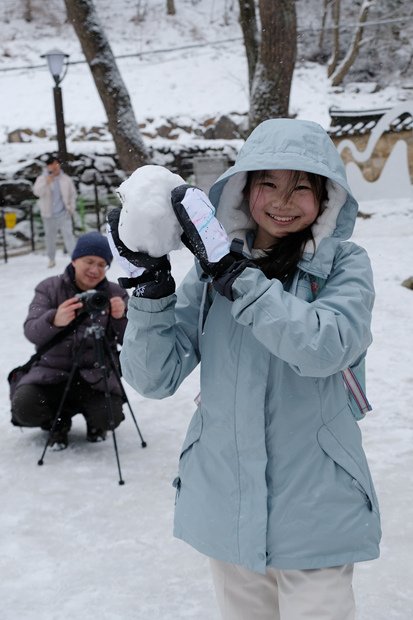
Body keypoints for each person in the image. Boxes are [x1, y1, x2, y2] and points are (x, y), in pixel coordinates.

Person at [108, 119, 381, 619]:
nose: (283, 200)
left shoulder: (345, 265)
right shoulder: (212, 272)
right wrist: (151, 293)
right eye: (268, 183)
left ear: (326, 198)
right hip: (226, 499)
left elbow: (326, 346)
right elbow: (154, 377)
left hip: (317, 506)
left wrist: (241, 280)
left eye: (302, 186)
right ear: (243, 189)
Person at [11, 231, 128, 449]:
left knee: (110, 417)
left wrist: (122, 318)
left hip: (95, 377)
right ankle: (56, 422)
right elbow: (31, 331)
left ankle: (96, 423)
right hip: (51, 375)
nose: (95, 270)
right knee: (24, 407)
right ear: (75, 260)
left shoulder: (115, 293)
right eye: (89, 261)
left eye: (102, 264)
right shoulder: (49, 288)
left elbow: (132, 343)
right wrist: (54, 319)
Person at [33, 154, 77, 268]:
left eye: (57, 164)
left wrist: (71, 208)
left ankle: (74, 259)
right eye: (52, 164)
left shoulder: (66, 179)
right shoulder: (42, 179)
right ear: (48, 166)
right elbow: (37, 192)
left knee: (69, 236)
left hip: (64, 213)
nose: (55, 166)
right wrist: (47, 181)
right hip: (48, 215)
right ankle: (51, 259)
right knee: (50, 238)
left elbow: (72, 194)